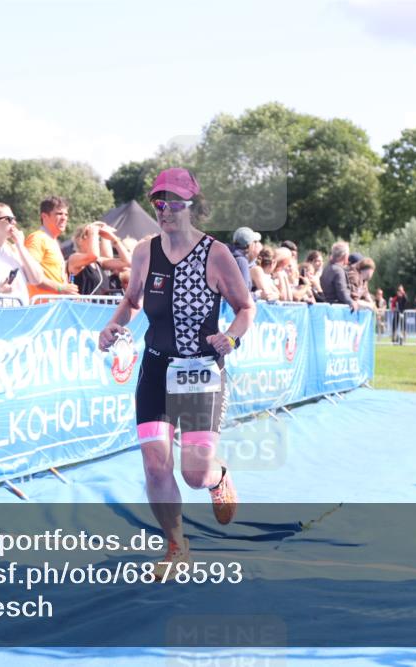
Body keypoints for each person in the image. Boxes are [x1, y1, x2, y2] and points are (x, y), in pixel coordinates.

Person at [97, 168, 255, 580]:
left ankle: (218, 475)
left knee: (194, 472)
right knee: (154, 463)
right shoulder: (144, 252)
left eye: (175, 203)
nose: (166, 211)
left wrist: (231, 339)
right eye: (160, 203)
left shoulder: (215, 254)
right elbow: (132, 300)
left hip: (201, 370)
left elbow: (245, 308)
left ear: (192, 206)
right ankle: (175, 546)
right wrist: (115, 325)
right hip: (156, 366)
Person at [24, 196, 80, 301]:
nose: (64, 218)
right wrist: (61, 288)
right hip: (41, 309)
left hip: (55, 308)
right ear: (44, 216)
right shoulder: (37, 238)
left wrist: (68, 292)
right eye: (59, 214)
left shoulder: (53, 241)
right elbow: (30, 273)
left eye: (66, 214)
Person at [67, 222, 132, 295]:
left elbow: (127, 262)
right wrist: (93, 232)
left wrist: (114, 239)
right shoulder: (74, 258)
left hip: (101, 305)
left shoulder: (99, 262)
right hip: (84, 306)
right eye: (92, 237)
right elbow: (93, 255)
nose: (97, 241)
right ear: (79, 240)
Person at [320, 241, 359, 310]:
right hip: (337, 309)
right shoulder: (338, 271)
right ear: (345, 256)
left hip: (327, 307)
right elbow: (342, 292)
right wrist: (351, 302)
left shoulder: (327, 268)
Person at [229, 226, 261, 292]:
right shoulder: (241, 261)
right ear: (249, 244)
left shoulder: (229, 256)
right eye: (254, 242)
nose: (255, 244)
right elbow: (244, 293)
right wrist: (256, 295)